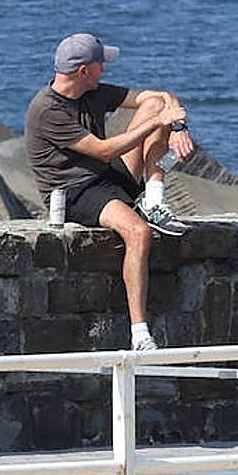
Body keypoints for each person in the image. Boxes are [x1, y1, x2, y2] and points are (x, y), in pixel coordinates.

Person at [25, 33, 195, 351]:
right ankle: (140, 334)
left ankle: (154, 200)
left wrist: (177, 127)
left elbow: (159, 97)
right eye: (100, 64)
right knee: (139, 233)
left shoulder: (94, 91)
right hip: (75, 191)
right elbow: (102, 151)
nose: (105, 69)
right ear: (84, 71)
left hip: (105, 176)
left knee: (157, 104)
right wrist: (159, 121)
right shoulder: (47, 109)